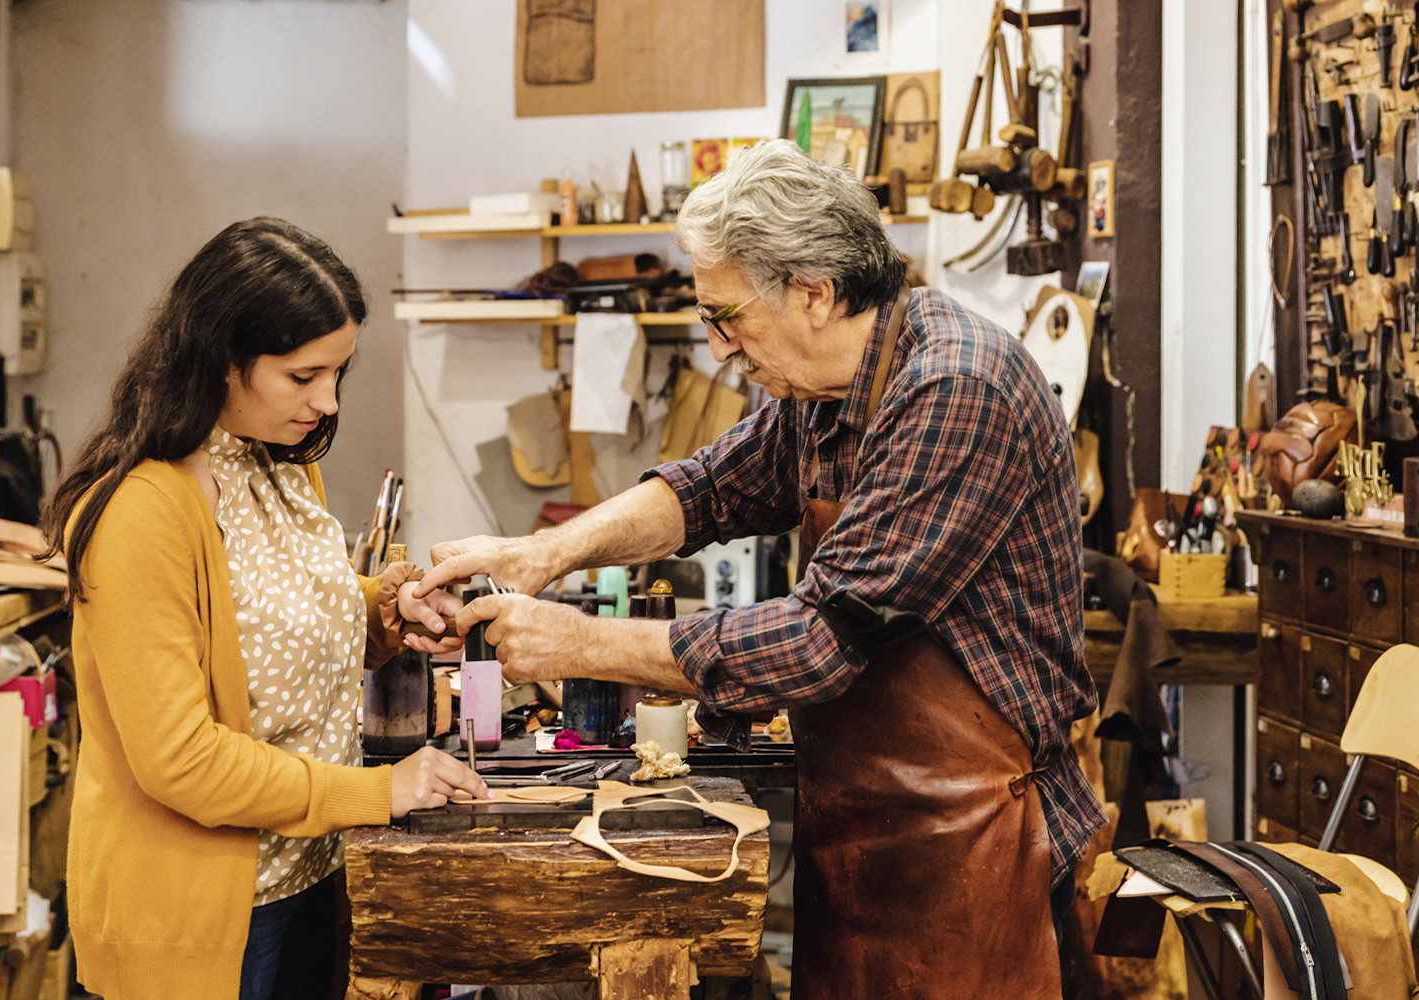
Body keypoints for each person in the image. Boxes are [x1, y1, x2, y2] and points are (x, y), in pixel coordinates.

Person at [409, 141, 1105, 998]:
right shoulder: (823, 389)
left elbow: (820, 638)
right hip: (865, 830)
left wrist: (576, 643)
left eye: (726, 316)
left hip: (979, 840)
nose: (717, 348)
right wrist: (542, 552)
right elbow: (706, 491)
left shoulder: (954, 387)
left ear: (812, 292)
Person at [39, 218, 488, 1000]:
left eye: (338, 373)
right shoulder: (141, 511)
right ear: (219, 360)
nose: (327, 401)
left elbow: (272, 631)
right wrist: (375, 794)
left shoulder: (276, 466)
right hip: (200, 918)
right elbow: (180, 759)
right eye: (302, 376)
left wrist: (386, 612)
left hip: (307, 876)